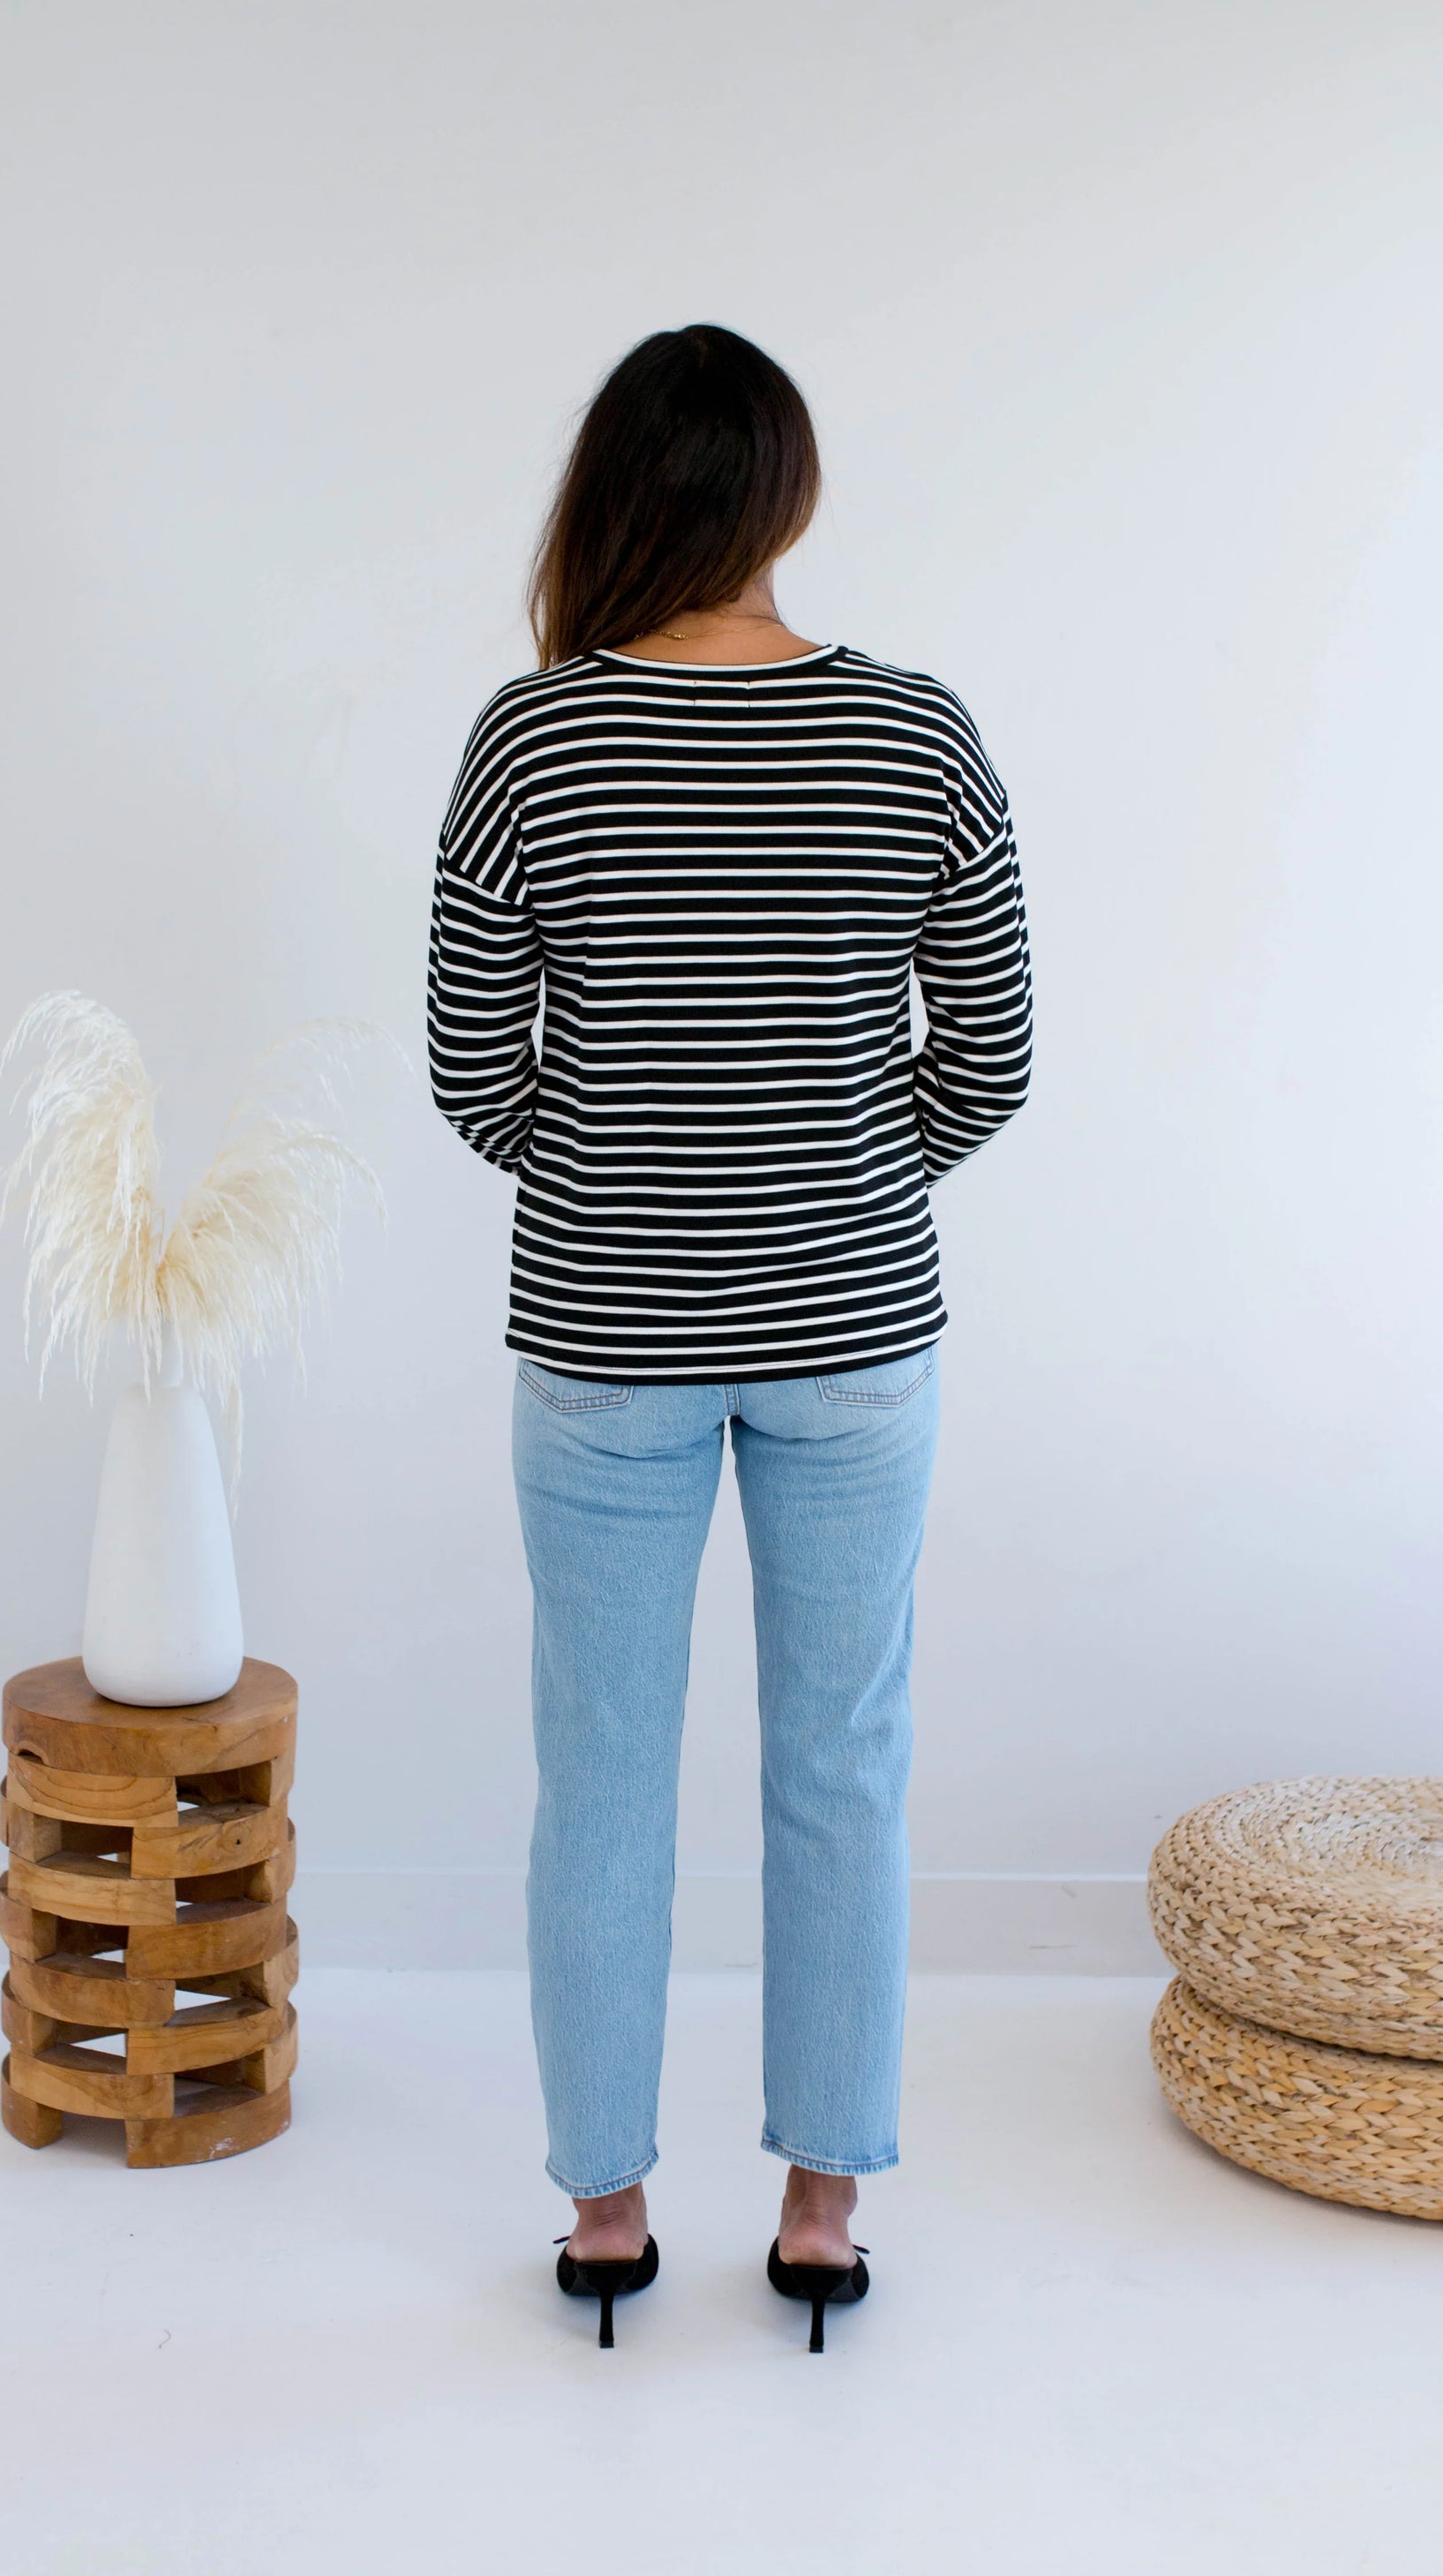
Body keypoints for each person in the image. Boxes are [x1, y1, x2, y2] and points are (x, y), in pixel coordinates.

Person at [426, 324, 1032, 2351]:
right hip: (858, 1331)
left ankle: (607, 2214)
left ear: (620, 493)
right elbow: (997, 1056)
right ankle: (822, 2204)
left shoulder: (534, 737)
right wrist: (848, 1169)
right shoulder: (919, 732)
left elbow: (466, 1069)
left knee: (596, 1774)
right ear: (785, 498)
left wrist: (613, 1171)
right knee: (843, 1765)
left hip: (600, 1337)